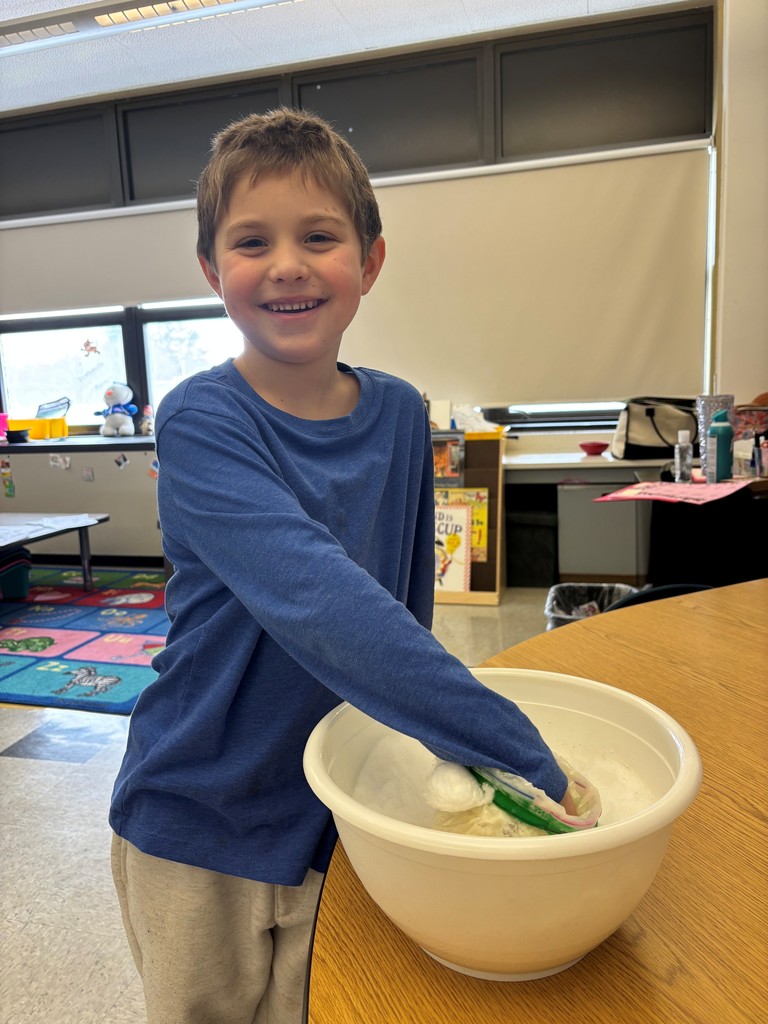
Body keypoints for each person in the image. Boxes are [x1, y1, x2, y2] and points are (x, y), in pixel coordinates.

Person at [109, 108, 582, 1024]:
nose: (286, 263)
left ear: (368, 262)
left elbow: (401, 608)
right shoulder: (202, 419)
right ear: (214, 272)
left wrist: (416, 753)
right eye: (252, 241)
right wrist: (520, 756)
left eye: (318, 237)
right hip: (197, 809)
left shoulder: (403, 413)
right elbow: (318, 601)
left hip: (337, 807)